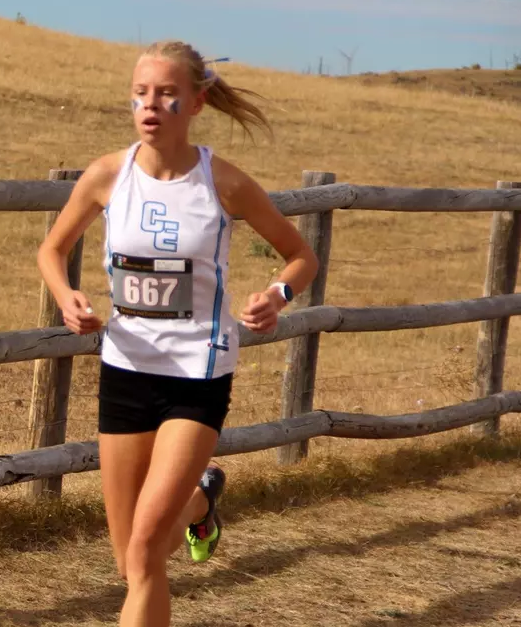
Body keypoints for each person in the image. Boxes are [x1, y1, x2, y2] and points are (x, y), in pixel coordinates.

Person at [36, 40, 320, 627]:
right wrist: (68, 299)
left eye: (167, 94)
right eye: (141, 94)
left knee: (144, 553)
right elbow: (52, 248)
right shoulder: (108, 176)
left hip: (197, 374)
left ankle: (193, 498)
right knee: (129, 563)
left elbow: (300, 256)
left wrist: (277, 295)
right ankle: (201, 500)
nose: (151, 105)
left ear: (196, 102)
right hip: (126, 370)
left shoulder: (224, 183)